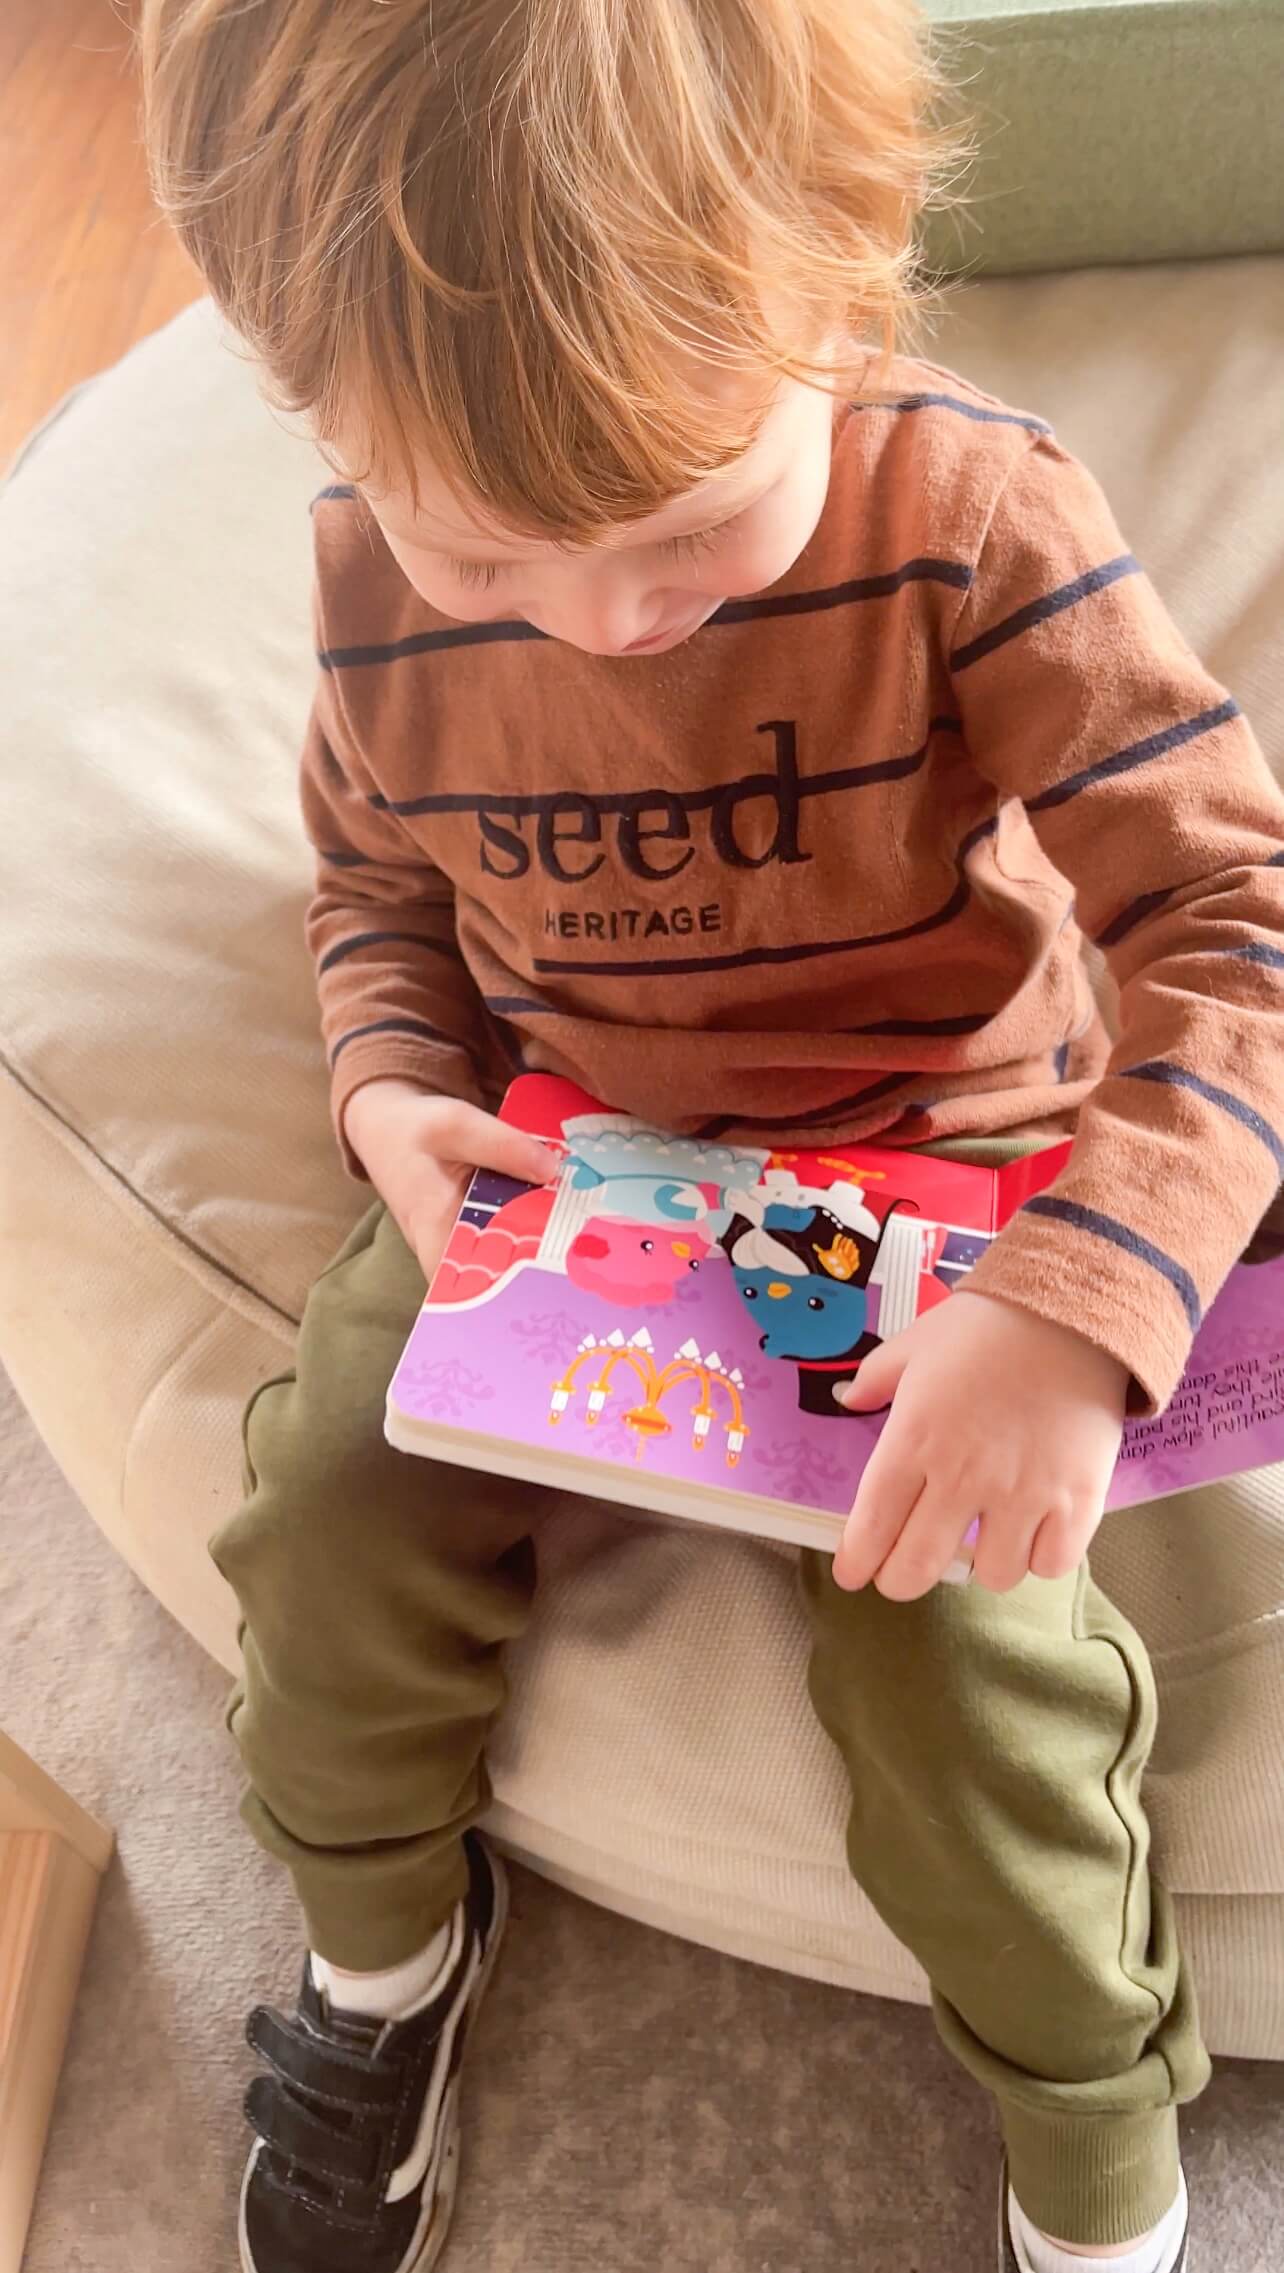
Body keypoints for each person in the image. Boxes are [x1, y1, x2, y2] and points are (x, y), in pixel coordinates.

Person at [141, 2, 1284, 2267]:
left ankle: (1092, 2175)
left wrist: (1079, 1301)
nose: (603, 620)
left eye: (686, 532)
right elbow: (374, 884)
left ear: (843, 283)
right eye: (496, 563)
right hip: (575, 1161)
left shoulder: (972, 509)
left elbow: (1233, 924)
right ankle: (386, 1957)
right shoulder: (373, 559)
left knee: (968, 1683)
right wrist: (386, 1082)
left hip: (946, 1157)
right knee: (331, 1515)